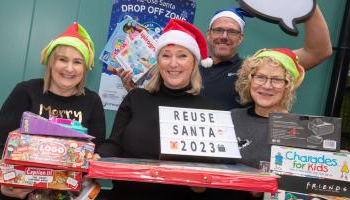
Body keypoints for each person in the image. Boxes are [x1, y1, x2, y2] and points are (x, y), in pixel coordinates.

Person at [97, 19, 255, 199]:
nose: (173, 64)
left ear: (194, 63)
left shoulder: (211, 111)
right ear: (158, 61)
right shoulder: (135, 98)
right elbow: (114, 144)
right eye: (166, 55)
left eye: (182, 56)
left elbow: (212, 172)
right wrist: (99, 155)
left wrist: (202, 182)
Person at [0, 22, 106, 199]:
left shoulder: (92, 101)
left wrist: (95, 163)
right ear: (51, 62)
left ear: (85, 68)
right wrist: (3, 185)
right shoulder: (25, 91)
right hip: (19, 193)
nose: (69, 68)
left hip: (68, 193)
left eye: (77, 62)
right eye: (62, 60)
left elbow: (98, 149)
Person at [199, 5, 332, 110]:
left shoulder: (256, 67)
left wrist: (308, 5)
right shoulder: (190, 70)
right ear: (209, 34)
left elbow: (318, 51)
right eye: (218, 30)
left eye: (232, 31)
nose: (224, 36)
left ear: (240, 38)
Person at [232, 47, 305, 172]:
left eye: (277, 80)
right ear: (249, 81)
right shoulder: (232, 118)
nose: (267, 86)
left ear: (288, 86)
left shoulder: (298, 128)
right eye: (260, 77)